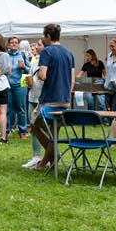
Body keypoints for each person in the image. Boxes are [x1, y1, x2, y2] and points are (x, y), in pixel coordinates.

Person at [29, 24, 74, 171]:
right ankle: (50, 160)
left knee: (34, 125)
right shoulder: (68, 52)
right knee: (54, 133)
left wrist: (38, 75)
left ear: (48, 36)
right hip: (65, 100)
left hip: (49, 99)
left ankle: (47, 160)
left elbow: (43, 75)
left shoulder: (47, 52)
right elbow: (72, 79)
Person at [22, 39, 46, 168]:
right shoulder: (35, 60)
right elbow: (31, 75)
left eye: (39, 45)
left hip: (43, 99)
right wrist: (29, 82)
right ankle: (36, 156)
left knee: (44, 129)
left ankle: (47, 156)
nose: (36, 47)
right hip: (32, 96)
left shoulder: (48, 60)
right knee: (34, 128)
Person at [6, 37, 30, 139]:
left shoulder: (23, 55)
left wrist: (24, 67)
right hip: (7, 84)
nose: (14, 44)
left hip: (21, 84)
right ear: (8, 44)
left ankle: (23, 131)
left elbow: (29, 70)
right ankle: (6, 130)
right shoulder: (5, 55)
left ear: (18, 45)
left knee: (21, 108)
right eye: (12, 42)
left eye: (16, 42)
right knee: (7, 109)